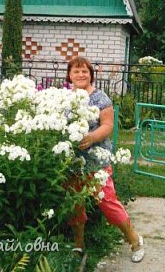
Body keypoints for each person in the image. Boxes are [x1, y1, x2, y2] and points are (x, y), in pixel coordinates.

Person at [65, 56, 144, 263]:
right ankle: (78, 246)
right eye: (76, 71)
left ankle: (135, 240)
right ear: (69, 75)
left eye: (85, 71)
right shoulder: (65, 98)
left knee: (108, 203)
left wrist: (91, 138)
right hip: (71, 164)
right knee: (75, 205)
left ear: (91, 75)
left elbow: (108, 125)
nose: (81, 75)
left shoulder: (100, 98)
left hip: (96, 163)